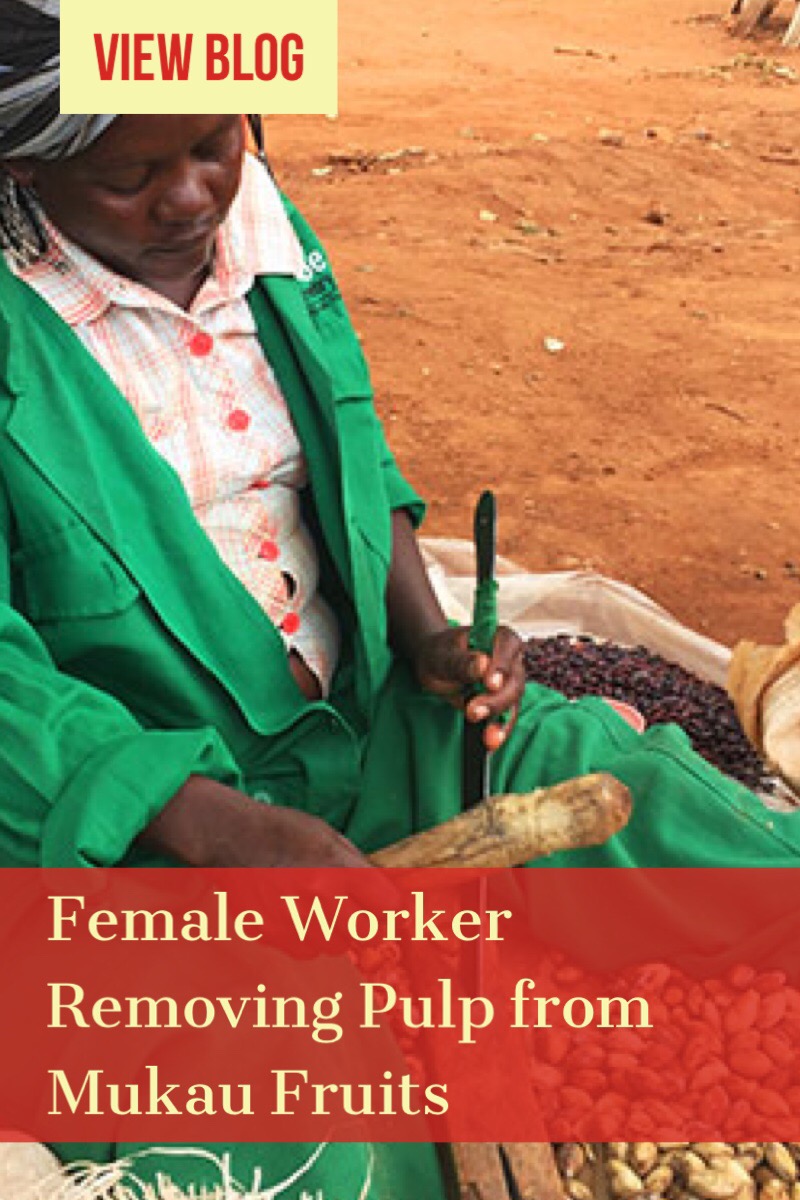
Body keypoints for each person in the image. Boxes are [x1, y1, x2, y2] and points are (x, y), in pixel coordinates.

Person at [2, 1, 800, 1194]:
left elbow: (349, 448)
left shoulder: (263, 231)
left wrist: (426, 635)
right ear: (22, 165)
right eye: (129, 174)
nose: (187, 197)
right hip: (130, 832)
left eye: (215, 141)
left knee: (638, 800)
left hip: (361, 738)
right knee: (298, 1112)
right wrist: (204, 822)